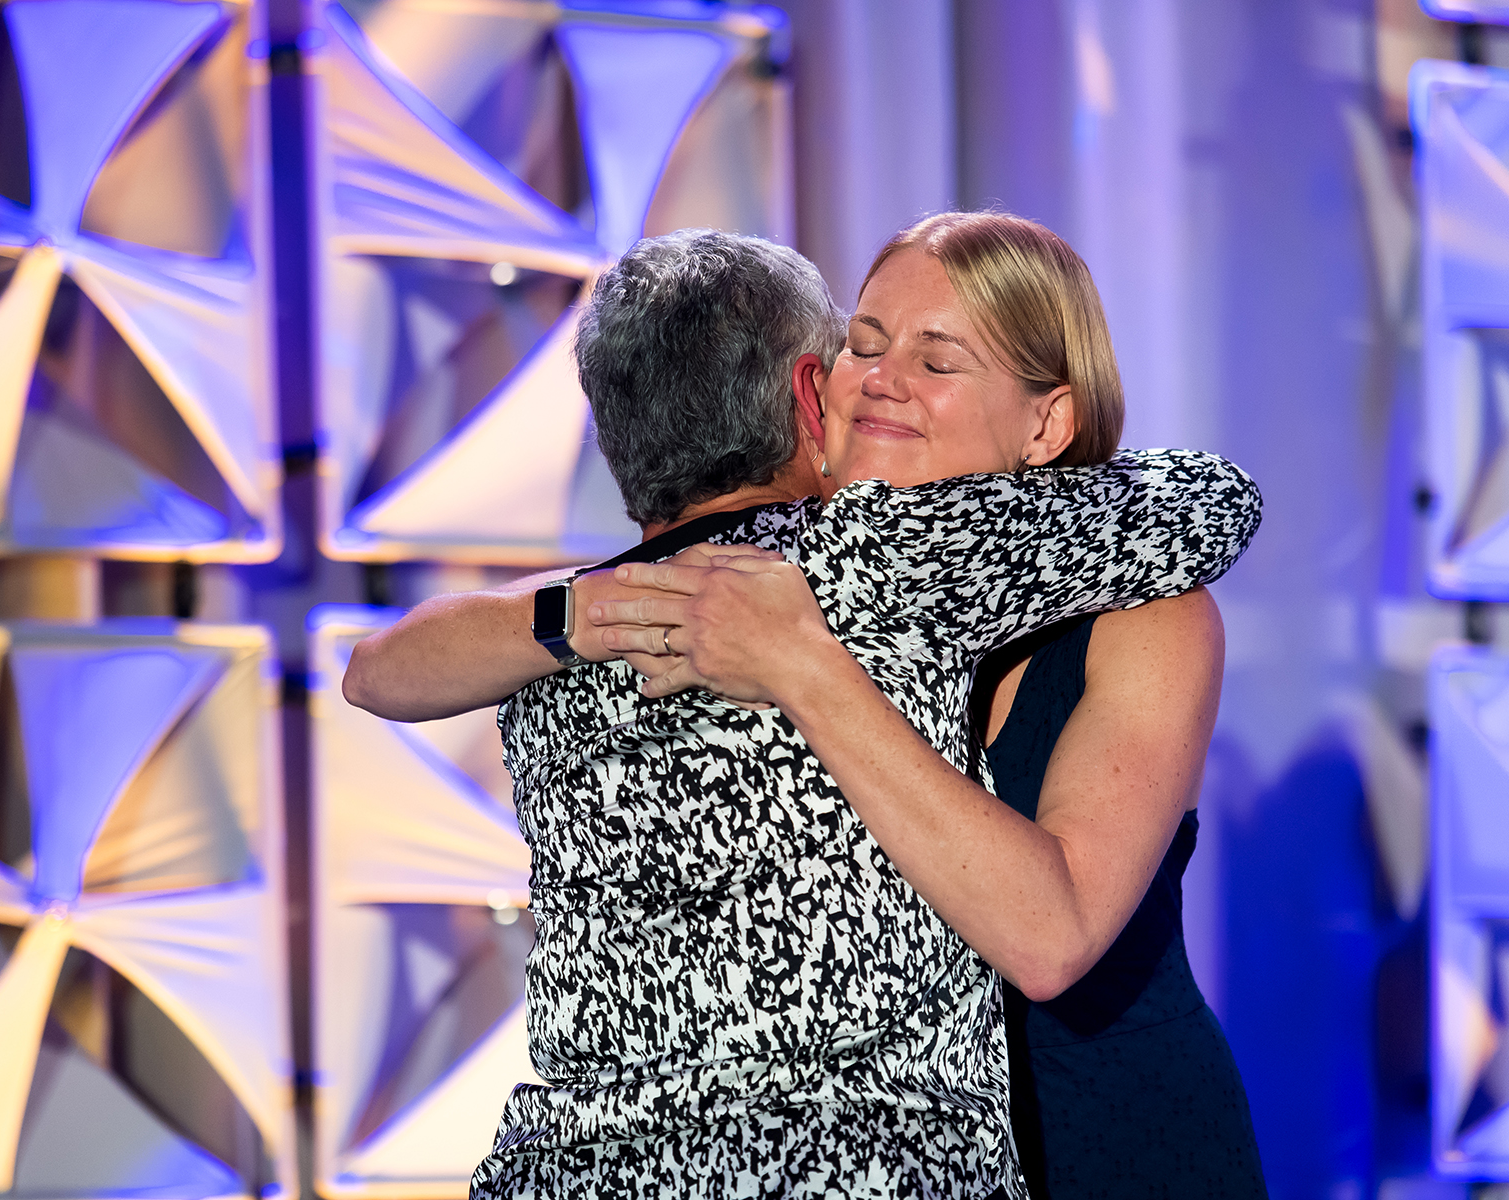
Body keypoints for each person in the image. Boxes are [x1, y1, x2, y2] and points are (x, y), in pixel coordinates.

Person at [343, 226, 1261, 1198]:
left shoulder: (1141, 606)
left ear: (1045, 425)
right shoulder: (746, 579)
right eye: (864, 344)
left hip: (1104, 1138)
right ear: (809, 391)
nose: (878, 378)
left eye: (936, 358)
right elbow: (385, 666)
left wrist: (793, 660)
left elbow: (1207, 498)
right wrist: (596, 610)